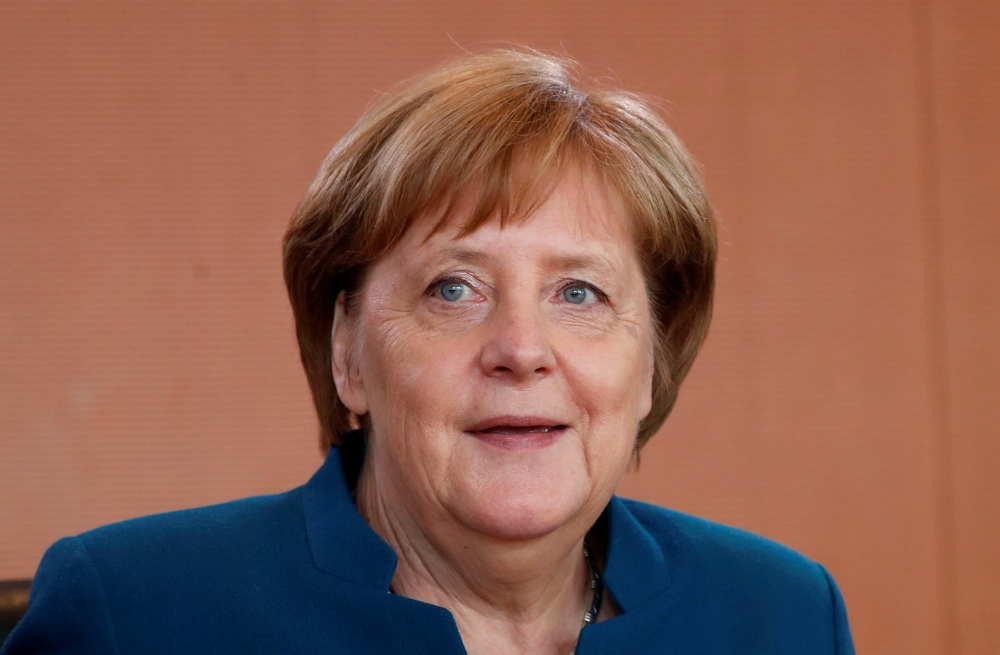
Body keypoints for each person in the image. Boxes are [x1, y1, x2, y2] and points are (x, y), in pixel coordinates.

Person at [3, 50, 854, 655]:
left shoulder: (782, 616)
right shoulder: (133, 613)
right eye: (454, 288)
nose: (521, 349)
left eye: (579, 293)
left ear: (652, 362)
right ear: (348, 352)